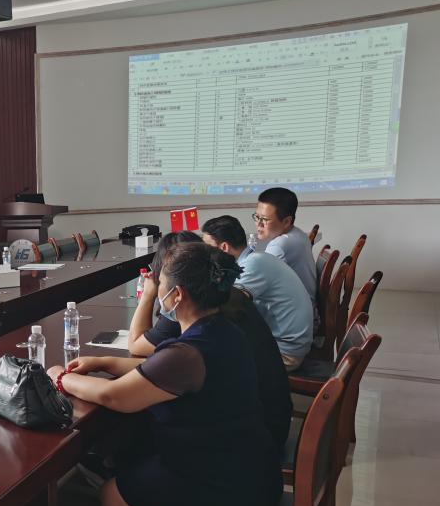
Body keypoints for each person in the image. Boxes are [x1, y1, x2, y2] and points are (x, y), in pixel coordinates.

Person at [47, 244, 282, 506]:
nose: (158, 293)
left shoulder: (189, 353)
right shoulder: (220, 329)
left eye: (161, 285)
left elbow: (115, 397)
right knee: (138, 463)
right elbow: (158, 367)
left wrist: (60, 378)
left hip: (230, 489)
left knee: (114, 498)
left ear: (177, 295)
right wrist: (103, 361)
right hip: (249, 468)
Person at [129, 231, 292, 450]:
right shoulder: (222, 297)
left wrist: (148, 294)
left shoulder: (191, 308)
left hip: (251, 441)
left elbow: (136, 347)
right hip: (268, 421)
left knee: (145, 422)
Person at [201, 215, 313, 371]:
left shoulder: (253, 265)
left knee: (207, 358)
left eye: (207, 248)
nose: (205, 255)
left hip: (285, 354)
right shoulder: (255, 258)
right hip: (289, 344)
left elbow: (230, 307)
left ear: (224, 247)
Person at [253, 187, 316, 304]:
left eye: (265, 219)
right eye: (257, 217)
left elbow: (258, 283)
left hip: (292, 311)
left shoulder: (279, 245)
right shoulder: (298, 233)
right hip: (303, 305)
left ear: (286, 221)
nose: (259, 224)